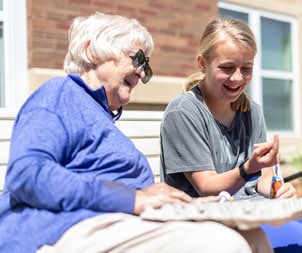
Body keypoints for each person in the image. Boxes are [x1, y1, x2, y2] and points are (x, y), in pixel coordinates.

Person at [0, 13, 273, 253]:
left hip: (123, 222)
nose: (142, 73)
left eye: (147, 65)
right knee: (228, 246)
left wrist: (190, 206)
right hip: (66, 228)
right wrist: (133, 199)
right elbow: (26, 175)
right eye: (137, 58)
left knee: (254, 237)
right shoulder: (59, 95)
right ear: (93, 51)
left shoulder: (102, 120)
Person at [160, 17, 302, 253]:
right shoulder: (184, 112)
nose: (237, 78)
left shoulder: (251, 109)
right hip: (206, 213)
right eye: (227, 68)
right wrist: (248, 168)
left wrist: (277, 189)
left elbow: (264, 180)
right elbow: (207, 187)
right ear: (202, 63)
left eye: (246, 68)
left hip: (256, 207)